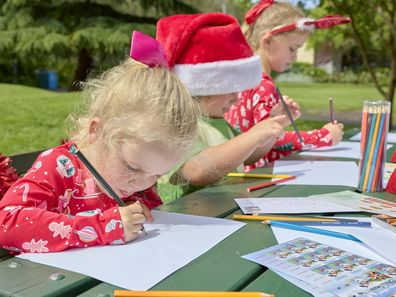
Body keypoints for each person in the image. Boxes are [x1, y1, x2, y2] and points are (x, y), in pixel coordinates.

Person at [0, 31, 200, 253]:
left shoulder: (137, 176)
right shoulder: (58, 168)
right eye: (132, 167)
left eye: (156, 175)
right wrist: (103, 227)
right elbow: (6, 223)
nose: (141, 184)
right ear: (96, 130)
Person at [156, 13, 292, 203]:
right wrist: (253, 135)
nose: (236, 99)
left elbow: (248, 155)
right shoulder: (178, 123)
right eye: (231, 90)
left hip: (216, 210)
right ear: (204, 86)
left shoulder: (217, 120)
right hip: (185, 218)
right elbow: (197, 170)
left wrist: (273, 126)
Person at [225, 0, 350, 171]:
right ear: (268, 41)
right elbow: (272, 138)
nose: (295, 57)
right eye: (293, 48)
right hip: (255, 178)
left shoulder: (241, 80)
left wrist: (278, 118)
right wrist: (324, 136)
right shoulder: (264, 86)